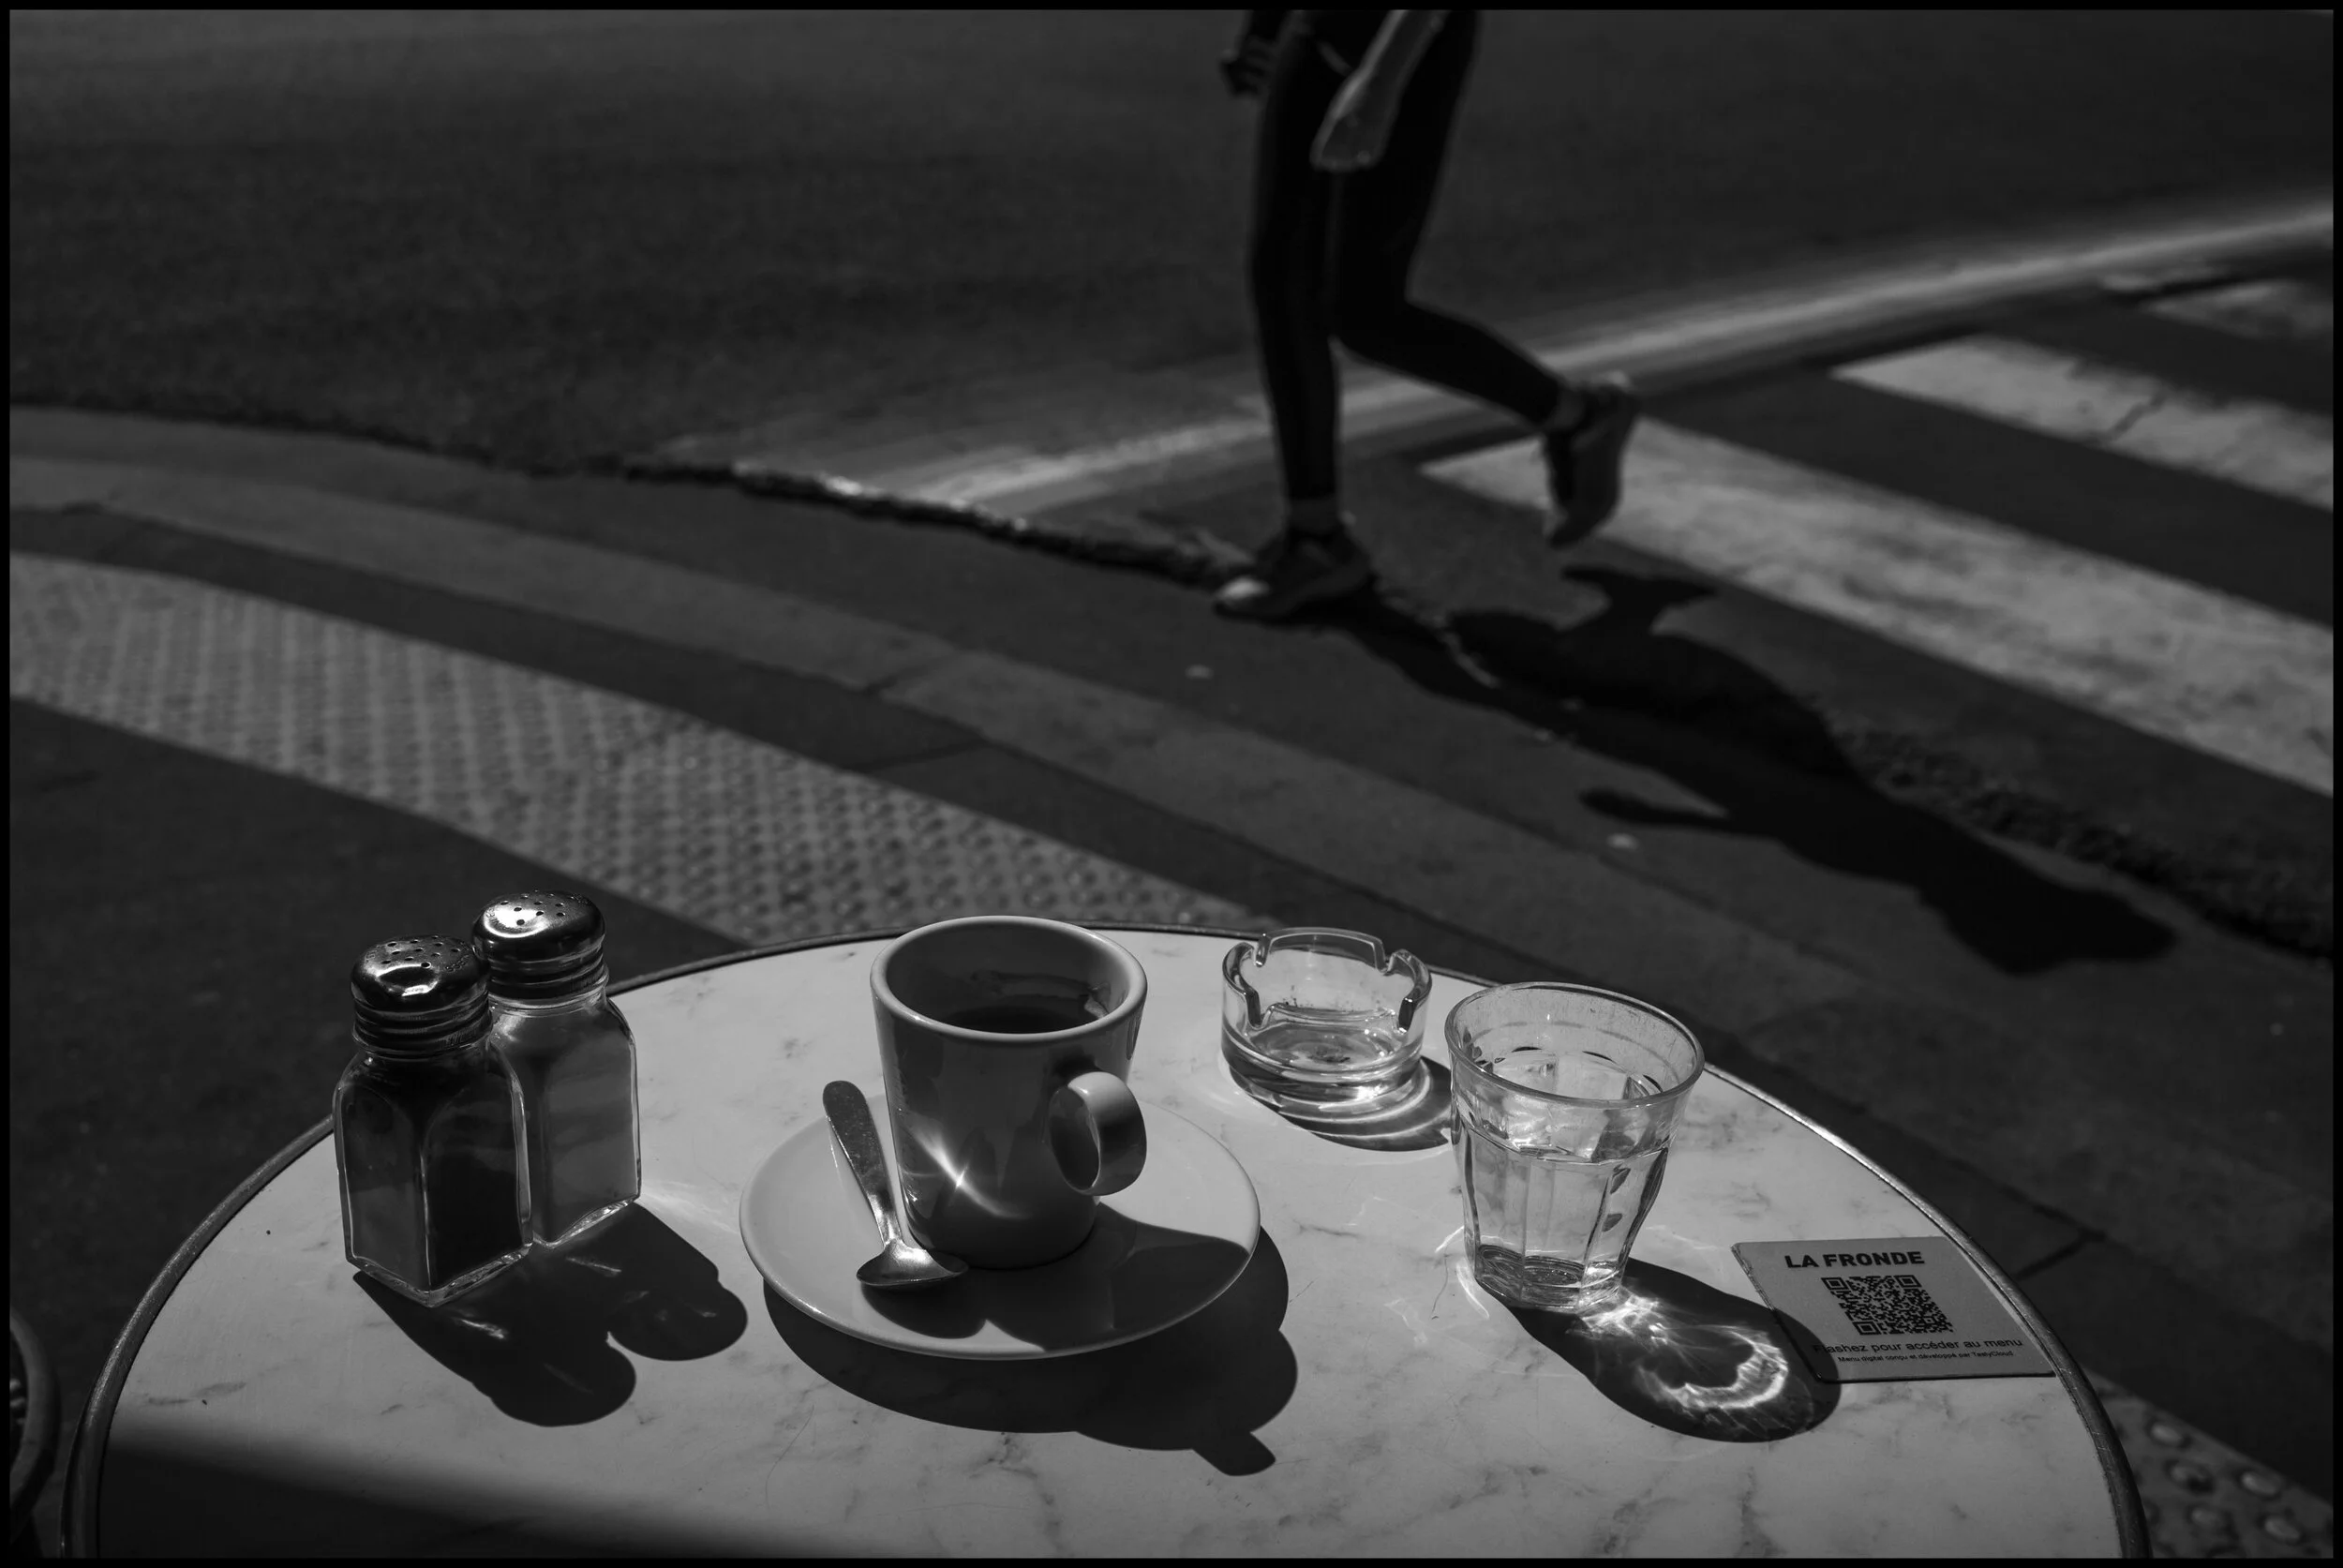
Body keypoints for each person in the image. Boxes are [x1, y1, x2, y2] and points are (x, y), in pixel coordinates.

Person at [1215, 9, 1641, 621]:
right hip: (1318, 27)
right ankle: (1316, 536)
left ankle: (1579, 414)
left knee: (1364, 312)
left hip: (1410, 44)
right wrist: (1264, 24)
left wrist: (1380, 82)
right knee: (1279, 278)